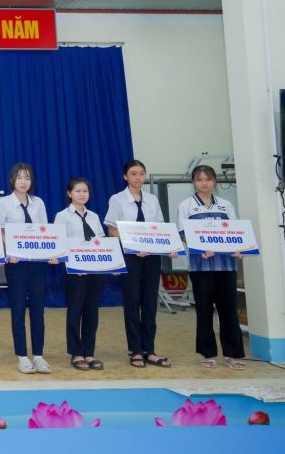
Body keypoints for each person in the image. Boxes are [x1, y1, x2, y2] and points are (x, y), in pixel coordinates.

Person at [104, 159, 173, 369]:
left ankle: (149, 350)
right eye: (133, 173)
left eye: (141, 173)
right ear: (125, 176)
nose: (138, 177)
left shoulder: (152, 199)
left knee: (150, 303)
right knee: (133, 302)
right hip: (130, 256)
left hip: (152, 256)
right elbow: (112, 229)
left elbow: (159, 228)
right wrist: (132, 245)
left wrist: (170, 246)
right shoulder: (117, 199)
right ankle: (135, 350)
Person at [176, 164, 246, 371]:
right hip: (200, 267)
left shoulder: (225, 205)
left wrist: (240, 248)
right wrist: (200, 247)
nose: (204, 183)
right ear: (193, 182)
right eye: (199, 179)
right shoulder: (187, 205)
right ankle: (208, 354)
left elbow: (235, 231)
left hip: (226, 266)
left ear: (214, 181)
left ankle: (232, 354)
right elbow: (182, 234)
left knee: (229, 310)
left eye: (208, 179)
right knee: (204, 310)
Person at [0, 162, 56, 374]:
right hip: (16, 264)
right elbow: (0, 232)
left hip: (37, 263)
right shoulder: (3, 203)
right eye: (19, 177)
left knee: (38, 309)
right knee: (18, 309)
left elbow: (45, 231)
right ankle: (21, 356)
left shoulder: (38, 203)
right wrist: (10, 250)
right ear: (12, 180)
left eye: (27, 178)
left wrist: (51, 252)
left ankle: (38, 355)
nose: (23, 182)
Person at [54, 177, 106, 372]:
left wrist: (112, 265)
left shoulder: (94, 216)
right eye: (78, 191)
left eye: (85, 191)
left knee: (92, 311)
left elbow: (102, 243)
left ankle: (89, 352)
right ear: (69, 194)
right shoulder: (62, 216)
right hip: (75, 272)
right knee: (75, 311)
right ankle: (76, 352)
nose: (82, 194)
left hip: (95, 271)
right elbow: (59, 243)